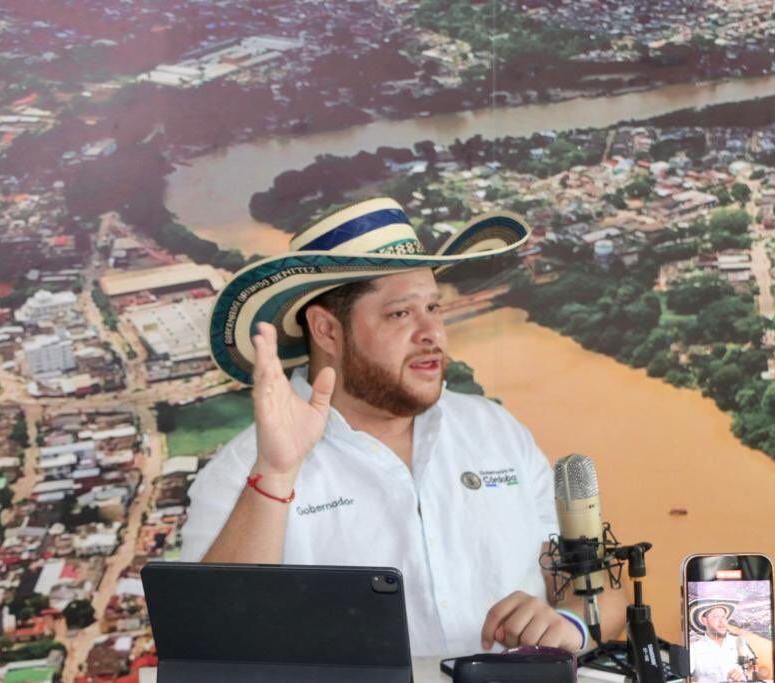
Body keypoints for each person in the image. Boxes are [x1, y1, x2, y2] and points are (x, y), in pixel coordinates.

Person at [180, 198, 626, 657]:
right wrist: (274, 476)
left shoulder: (495, 430)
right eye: (401, 313)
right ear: (327, 330)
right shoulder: (243, 471)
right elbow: (210, 644)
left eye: (433, 307)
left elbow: (597, 584)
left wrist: (570, 625)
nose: (433, 333)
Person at [688, 599, 768, 683]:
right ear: (704, 620)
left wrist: (743, 675)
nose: (722, 621)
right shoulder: (694, 648)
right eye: (716, 616)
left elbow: (754, 668)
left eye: (723, 617)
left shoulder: (738, 642)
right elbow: (685, 678)